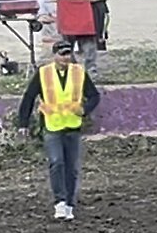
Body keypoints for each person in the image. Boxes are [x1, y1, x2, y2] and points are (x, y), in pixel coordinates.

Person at [16, 40, 101, 221]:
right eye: (61, 54)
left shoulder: (79, 73)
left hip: (73, 126)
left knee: (72, 168)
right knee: (56, 162)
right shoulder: (43, 74)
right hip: (52, 125)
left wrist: (85, 110)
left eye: (68, 54)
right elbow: (29, 98)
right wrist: (23, 124)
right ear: (54, 55)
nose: (65, 58)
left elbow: (94, 95)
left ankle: (70, 203)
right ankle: (60, 202)